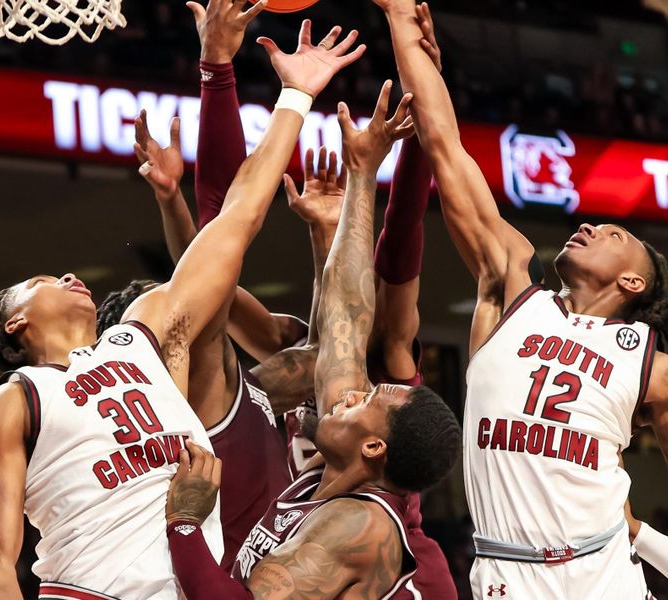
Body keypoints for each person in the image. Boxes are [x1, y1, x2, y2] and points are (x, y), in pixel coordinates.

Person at [0, 18, 364, 600]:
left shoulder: (143, 340)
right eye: (43, 279)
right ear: (15, 322)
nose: (70, 276)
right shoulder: (14, 399)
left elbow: (236, 219)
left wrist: (296, 97)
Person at [377, 0, 668, 597]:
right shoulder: (510, 289)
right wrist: (402, 22)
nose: (589, 226)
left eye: (613, 234)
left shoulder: (653, 367)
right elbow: (443, 143)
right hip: (503, 575)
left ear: (633, 284)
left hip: (606, 577)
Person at [162, 82, 462, 599]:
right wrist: (363, 175)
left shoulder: (355, 526)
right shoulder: (329, 475)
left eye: (367, 397)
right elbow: (343, 319)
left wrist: (184, 525)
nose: (354, 388)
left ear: (374, 445)